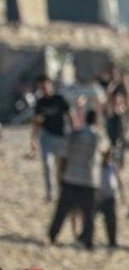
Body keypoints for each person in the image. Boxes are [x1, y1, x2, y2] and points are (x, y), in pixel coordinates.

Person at [49, 109, 107, 250]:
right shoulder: (98, 135)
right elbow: (106, 151)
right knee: (88, 214)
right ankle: (87, 240)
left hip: (71, 176)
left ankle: (53, 234)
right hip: (89, 178)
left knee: (62, 209)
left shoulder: (75, 133)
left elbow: (63, 153)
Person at [31, 74, 73, 202]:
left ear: (50, 85)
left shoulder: (60, 99)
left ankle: (62, 193)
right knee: (47, 164)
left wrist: (75, 133)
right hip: (47, 136)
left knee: (61, 169)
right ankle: (49, 193)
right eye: (40, 87)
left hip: (62, 136)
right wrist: (33, 139)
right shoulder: (40, 102)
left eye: (45, 85)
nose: (43, 89)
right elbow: (37, 121)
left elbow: (70, 115)